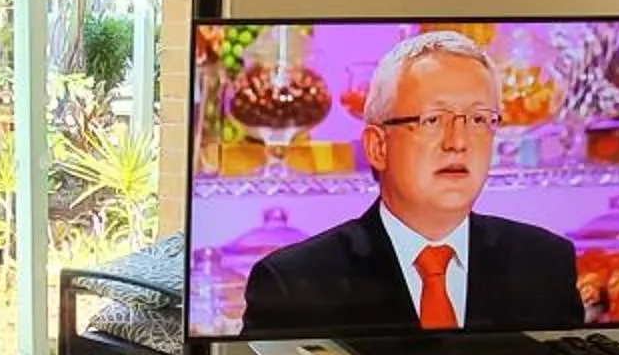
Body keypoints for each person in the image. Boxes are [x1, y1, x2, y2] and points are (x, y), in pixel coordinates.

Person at [238, 30, 587, 337]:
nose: (458, 141)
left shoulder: (545, 264)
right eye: (433, 120)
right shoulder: (294, 284)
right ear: (378, 146)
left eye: (480, 119)